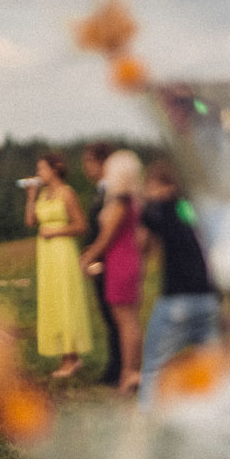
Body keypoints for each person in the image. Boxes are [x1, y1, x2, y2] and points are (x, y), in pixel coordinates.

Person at [138, 160, 220, 408]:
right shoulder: (190, 208)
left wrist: (147, 199)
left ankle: (147, 420)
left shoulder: (161, 207)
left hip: (178, 300)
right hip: (209, 298)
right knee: (211, 368)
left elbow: (144, 227)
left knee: (154, 366)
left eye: (150, 186)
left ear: (161, 185)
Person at [79, 149, 144, 394]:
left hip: (119, 260)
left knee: (126, 321)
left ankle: (129, 372)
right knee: (129, 320)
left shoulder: (120, 201)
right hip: (128, 257)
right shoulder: (134, 200)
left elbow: (109, 234)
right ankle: (130, 371)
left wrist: (90, 255)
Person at [23, 152, 92, 378]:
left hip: (63, 252)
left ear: (54, 170)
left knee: (66, 301)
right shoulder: (43, 194)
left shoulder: (67, 193)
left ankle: (71, 358)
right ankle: (66, 356)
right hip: (47, 256)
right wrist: (31, 197)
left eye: (42, 168)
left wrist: (56, 231)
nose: (39, 173)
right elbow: (30, 222)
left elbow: (82, 225)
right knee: (52, 300)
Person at [81, 142, 121, 386]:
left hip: (109, 261)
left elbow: (107, 229)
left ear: (102, 162)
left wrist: (92, 254)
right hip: (100, 260)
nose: (86, 168)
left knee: (114, 317)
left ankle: (118, 368)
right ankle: (114, 365)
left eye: (89, 162)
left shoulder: (112, 192)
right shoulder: (101, 190)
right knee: (108, 316)